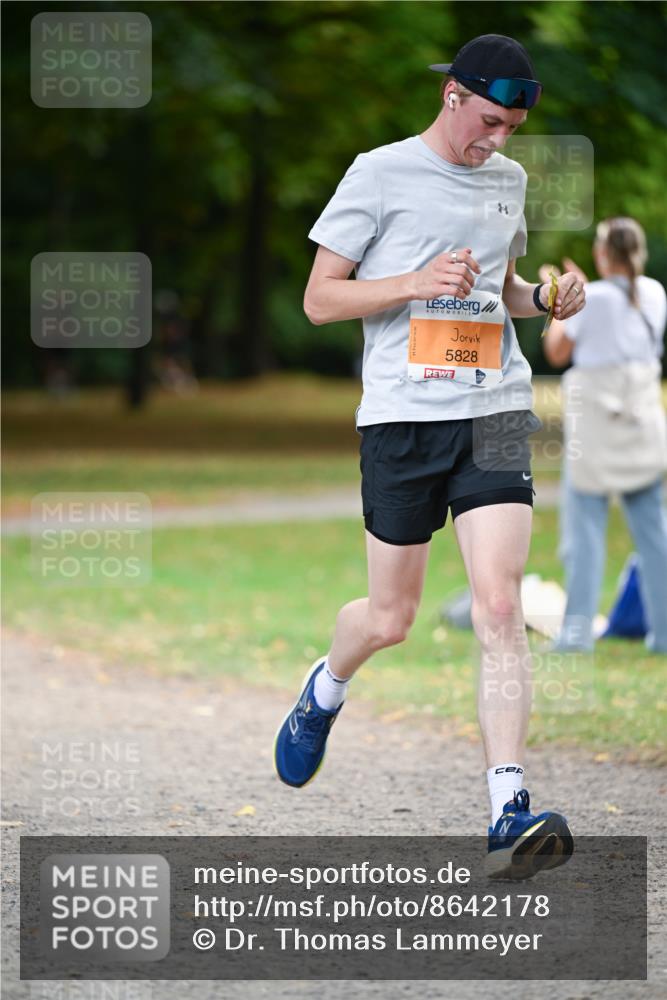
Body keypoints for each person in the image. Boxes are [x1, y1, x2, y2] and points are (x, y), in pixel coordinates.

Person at [274, 34, 585, 879]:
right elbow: (318, 299)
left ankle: (507, 812)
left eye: (511, 130)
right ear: (452, 96)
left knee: (499, 605)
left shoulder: (507, 181)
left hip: (494, 408)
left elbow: (500, 291)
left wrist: (545, 296)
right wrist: (413, 282)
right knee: (391, 618)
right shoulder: (377, 173)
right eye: (487, 122)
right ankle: (323, 691)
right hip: (403, 419)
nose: (497, 141)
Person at [542, 217, 667, 653]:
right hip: (641, 428)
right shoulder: (655, 293)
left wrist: (561, 300)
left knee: (584, 536)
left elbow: (557, 351)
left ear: (602, 254)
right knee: (655, 535)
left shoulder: (592, 298)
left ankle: (576, 636)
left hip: (594, 435)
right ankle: (664, 634)